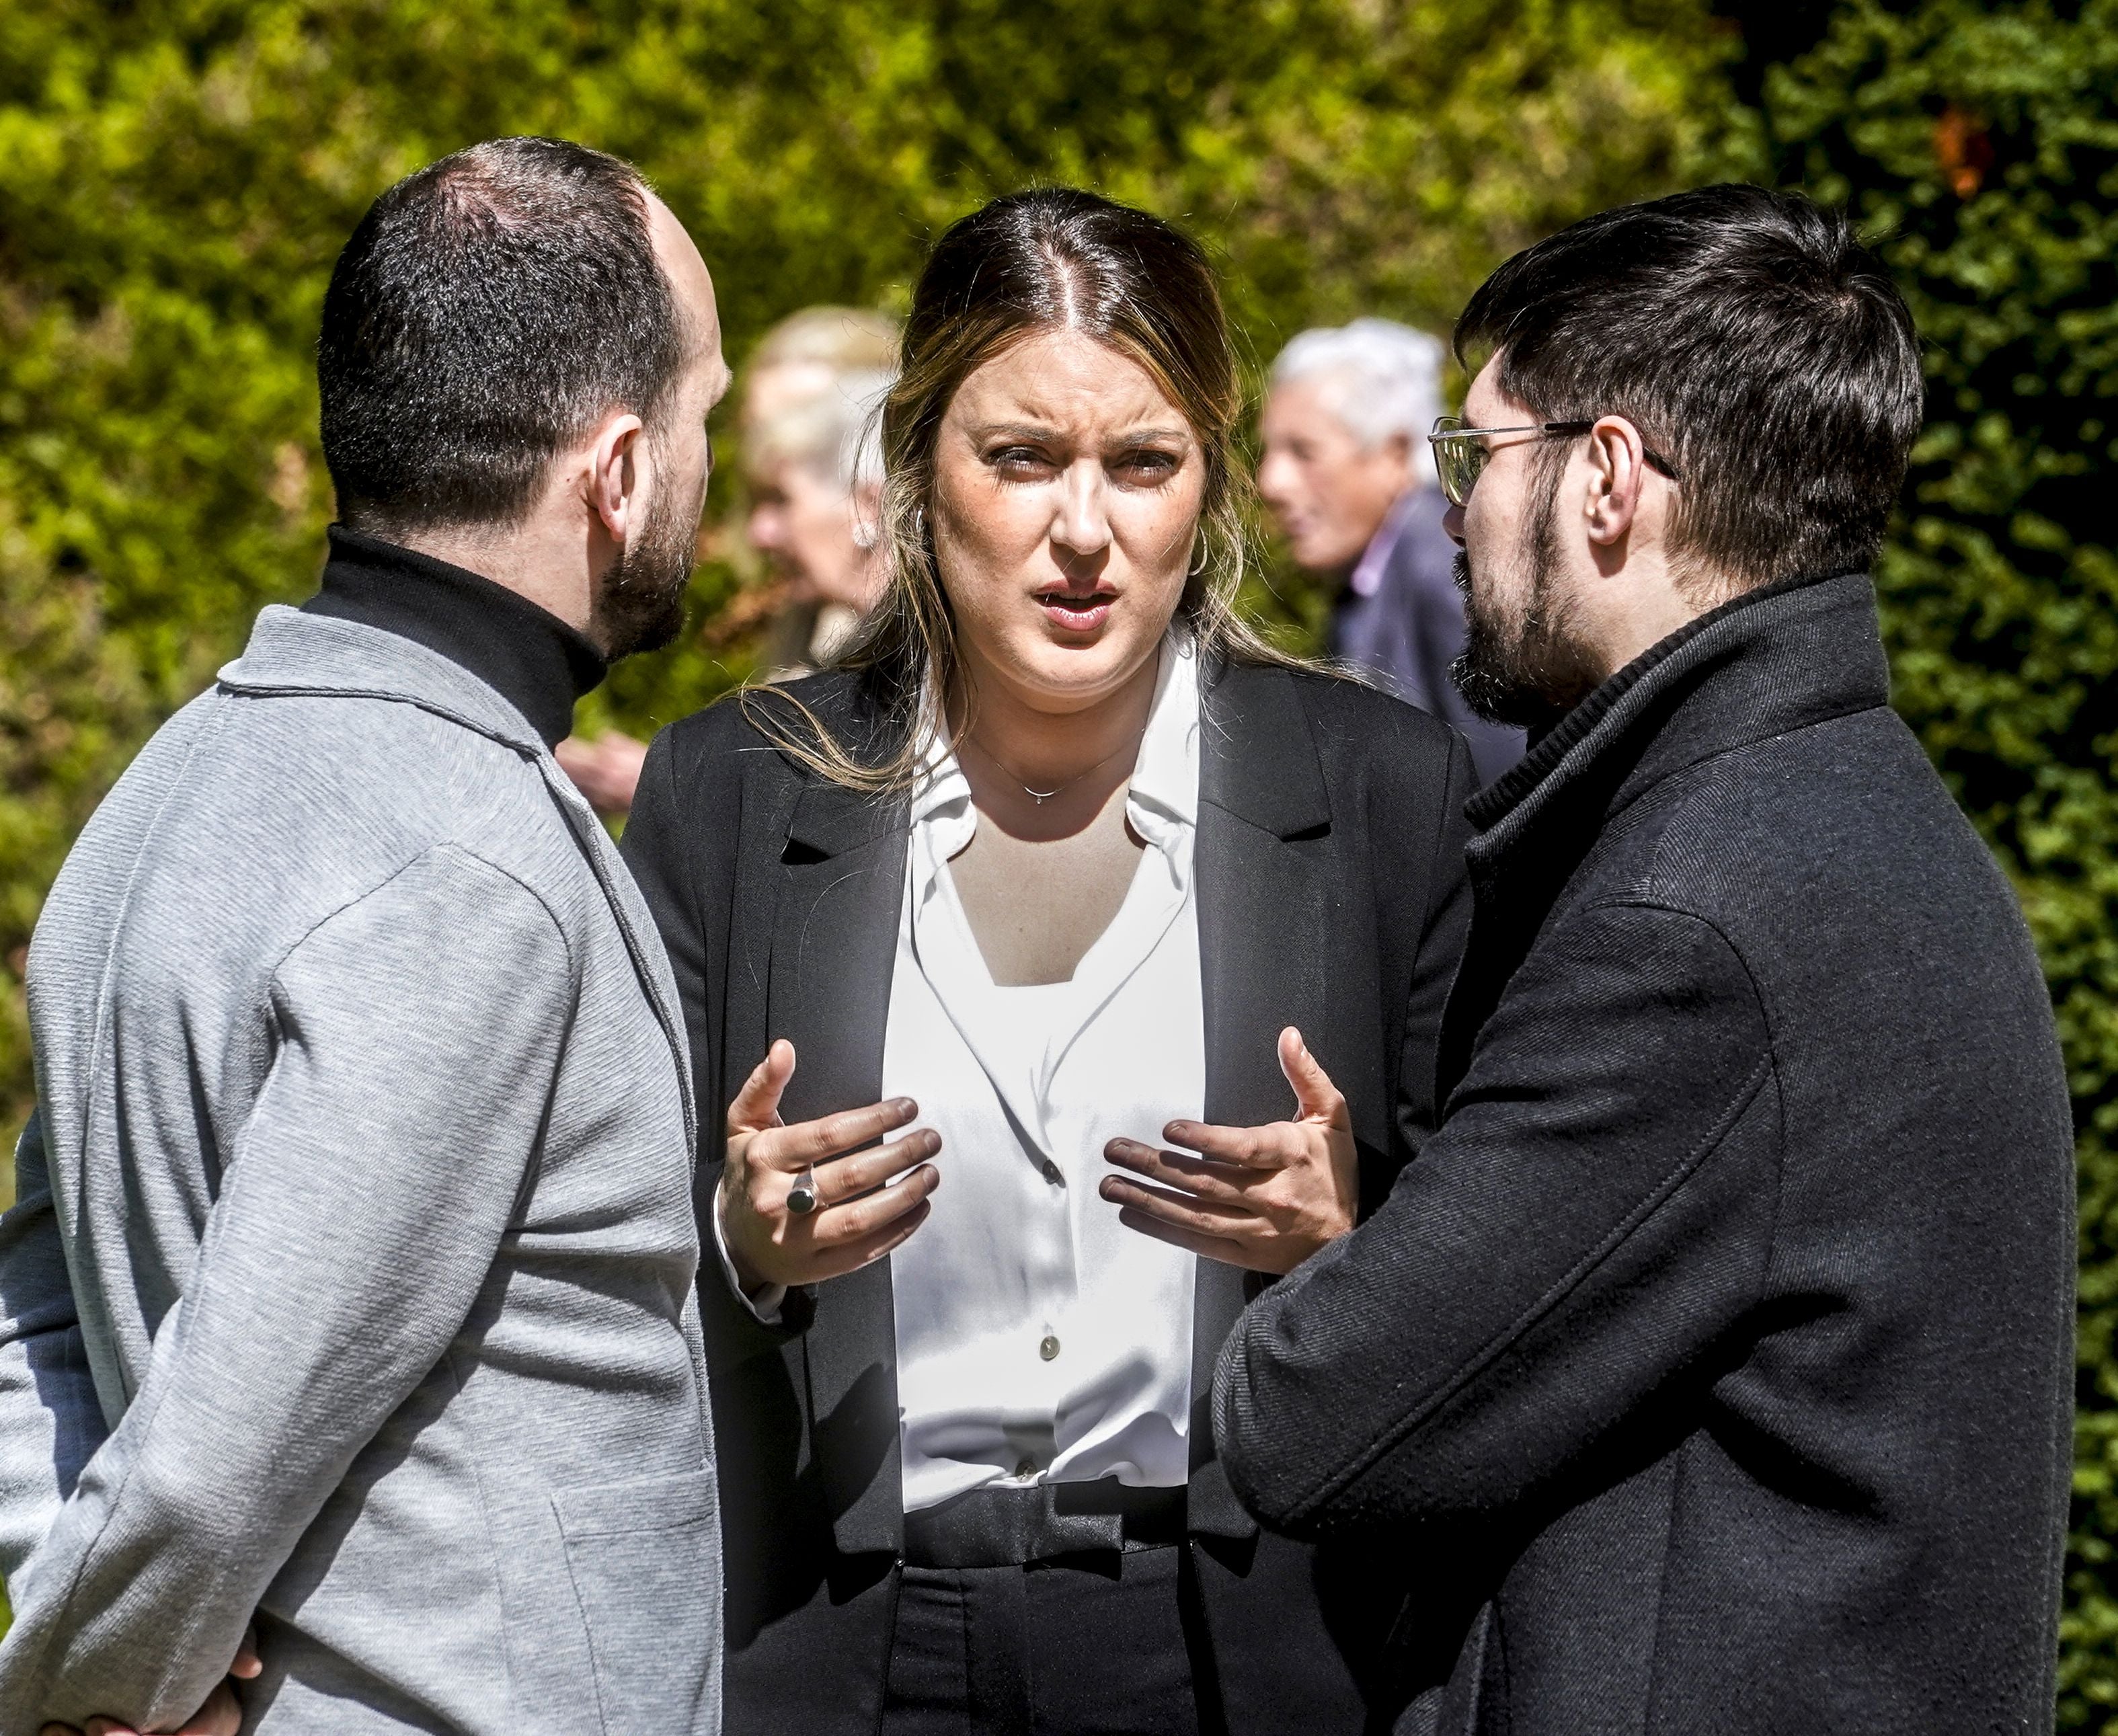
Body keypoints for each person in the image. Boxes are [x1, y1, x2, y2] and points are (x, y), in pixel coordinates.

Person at [1215, 184, 2076, 1734]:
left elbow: (1313, 1414)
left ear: (1606, 478)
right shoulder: (1836, 808)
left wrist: (1328, 1273)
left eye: (1478, 457)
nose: (1455, 512)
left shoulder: (1702, 912)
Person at [617, 188, 1475, 1735]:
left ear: (1206, 479)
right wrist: (744, 1245)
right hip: (833, 1653)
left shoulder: (1382, 791)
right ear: (917, 469)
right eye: (1021, 457)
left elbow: (1502, 1280)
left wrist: (1349, 1239)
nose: (1084, 527)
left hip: (1236, 1659)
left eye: (1142, 462)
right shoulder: (729, 794)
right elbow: (599, 1268)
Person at [0, 137, 731, 1735]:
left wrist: (64, 1599)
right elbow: (224, 1434)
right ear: (616, 471)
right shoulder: (471, 858)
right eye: (701, 414)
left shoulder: (164, 786)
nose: (706, 466)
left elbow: (36, 1307)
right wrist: (90, 1688)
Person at [555, 308, 900, 816]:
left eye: (781, 495)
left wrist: (671, 786)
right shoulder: (822, 626)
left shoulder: (935, 641)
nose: (761, 530)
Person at [1258, 318, 1522, 783]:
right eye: (1271, 452)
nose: (1271, 482)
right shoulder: (1375, 571)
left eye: (1304, 452)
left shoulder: (1442, 567)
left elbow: (1508, 780)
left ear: (1395, 455)